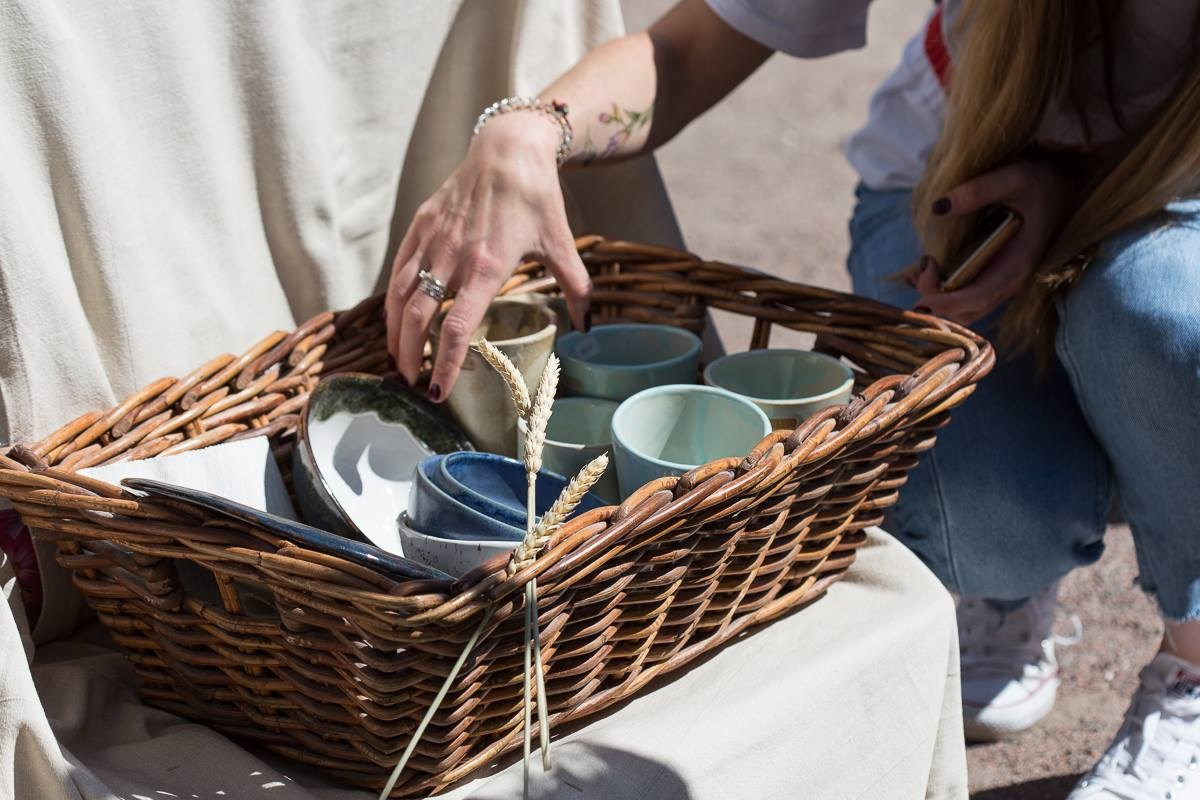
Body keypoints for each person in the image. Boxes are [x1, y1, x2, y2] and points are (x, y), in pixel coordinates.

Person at [388, 0, 1200, 795]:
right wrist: (528, 130)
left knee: (1158, 310)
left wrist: (1077, 191)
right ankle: (1010, 577)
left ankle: (1193, 668)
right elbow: (691, 48)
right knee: (985, 510)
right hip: (960, 171)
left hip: (1173, 196)